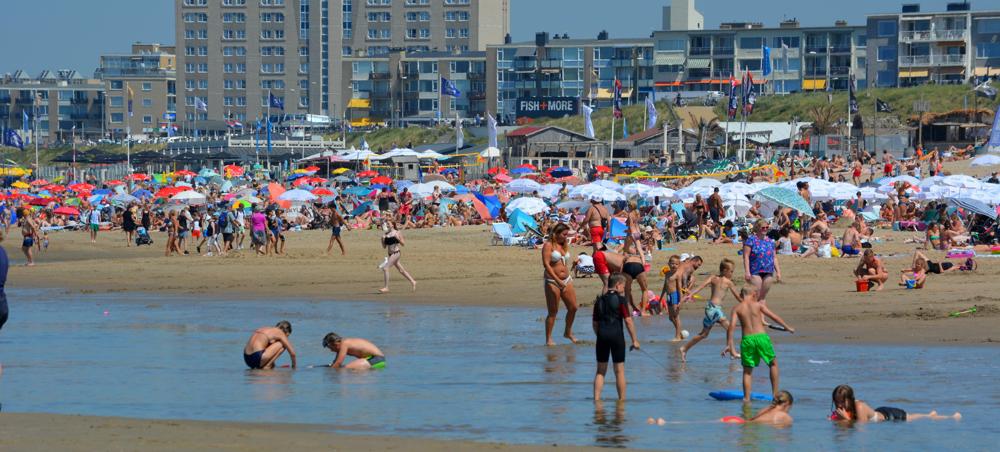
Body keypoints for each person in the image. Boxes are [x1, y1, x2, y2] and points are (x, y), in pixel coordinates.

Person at [723, 287, 794, 401]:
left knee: (747, 371)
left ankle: (746, 399)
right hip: (761, 338)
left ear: (741, 295)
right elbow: (774, 316)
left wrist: (730, 346)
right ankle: (775, 395)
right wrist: (787, 327)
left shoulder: (737, 308)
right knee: (773, 364)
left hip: (747, 339)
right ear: (753, 294)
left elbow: (731, 328)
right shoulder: (757, 305)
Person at [679, 259, 740, 362]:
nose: (732, 274)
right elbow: (738, 297)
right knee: (729, 328)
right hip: (714, 309)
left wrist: (689, 295)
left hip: (710, 308)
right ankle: (732, 350)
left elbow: (700, 287)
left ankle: (684, 348)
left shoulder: (712, 277)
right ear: (725, 270)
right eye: (731, 271)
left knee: (704, 334)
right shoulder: (728, 282)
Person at [592, 273, 640, 401]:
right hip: (617, 337)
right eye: (623, 286)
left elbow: (595, 324)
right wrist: (635, 340)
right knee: (619, 372)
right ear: (618, 285)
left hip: (602, 336)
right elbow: (628, 321)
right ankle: (621, 401)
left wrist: (600, 336)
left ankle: (596, 401)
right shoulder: (621, 300)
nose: (624, 289)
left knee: (600, 371)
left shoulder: (599, 300)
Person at [831, 385, 960, 422]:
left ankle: (950, 417)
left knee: (910, 418)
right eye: (837, 402)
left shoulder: (858, 406)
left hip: (890, 416)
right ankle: (929, 414)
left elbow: (860, 427)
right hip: (879, 413)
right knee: (912, 416)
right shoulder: (844, 410)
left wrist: (845, 419)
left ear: (850, 399)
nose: (839, 405)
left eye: (842, 401)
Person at [542, 223, 578, 346]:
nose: (566, 237)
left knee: (573, 307)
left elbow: (563, 262)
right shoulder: (548, 245)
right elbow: (546, 264)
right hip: (553, 281)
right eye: (564, 234)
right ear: (556, 234)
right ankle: (549, 339)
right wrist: (557, 280)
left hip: (566, 279)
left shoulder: (564, 244)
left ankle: (568, 332)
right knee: (553, 311)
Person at [661, 255, 703, 341]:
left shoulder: (678, 274)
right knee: (670, 318)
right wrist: (661, 298)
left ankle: (677, 336)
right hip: (669, 295)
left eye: (676, 264)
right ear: (668, 264)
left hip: (675, 295)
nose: (673, 265)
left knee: (676, 316)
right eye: (672, 263)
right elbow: (665, 286)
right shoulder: (668, 274)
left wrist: (681, 301)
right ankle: (679, 332)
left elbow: (680, 287)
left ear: (678, 264)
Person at [743, 219, 781, 306]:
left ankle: (761, 318)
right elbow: (746, 256)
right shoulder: (751, 240)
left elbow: (774, 257)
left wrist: (778, 272)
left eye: (767, 227)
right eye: (763, 227)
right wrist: (747, 272)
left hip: (768, 271)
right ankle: (752, 317)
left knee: (763, 297)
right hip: (755, 271)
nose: (765, 229)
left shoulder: (770, 241)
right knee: (756, 296)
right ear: (757, 228)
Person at [379, 220, 416, 293]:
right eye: (387, 224)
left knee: (385, 268)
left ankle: (386, 287)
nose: (387, 225)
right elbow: (384, 247)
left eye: (388, 224)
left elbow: (403, 244)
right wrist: (382, 240)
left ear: (392, 225)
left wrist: (397, 238)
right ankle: (413, 281)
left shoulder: (397, 232)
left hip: (396, 253)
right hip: (390, 254)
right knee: (401, 270)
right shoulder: (386, 234)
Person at [621, 232, 649, 315]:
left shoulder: (626, 249)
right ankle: (643, 311)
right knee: (644, 290)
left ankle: (627, 312)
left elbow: (623, 258)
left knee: (627, 291)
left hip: (627, 266)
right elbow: (643, 260)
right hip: (638, 265)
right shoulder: (640, 248)